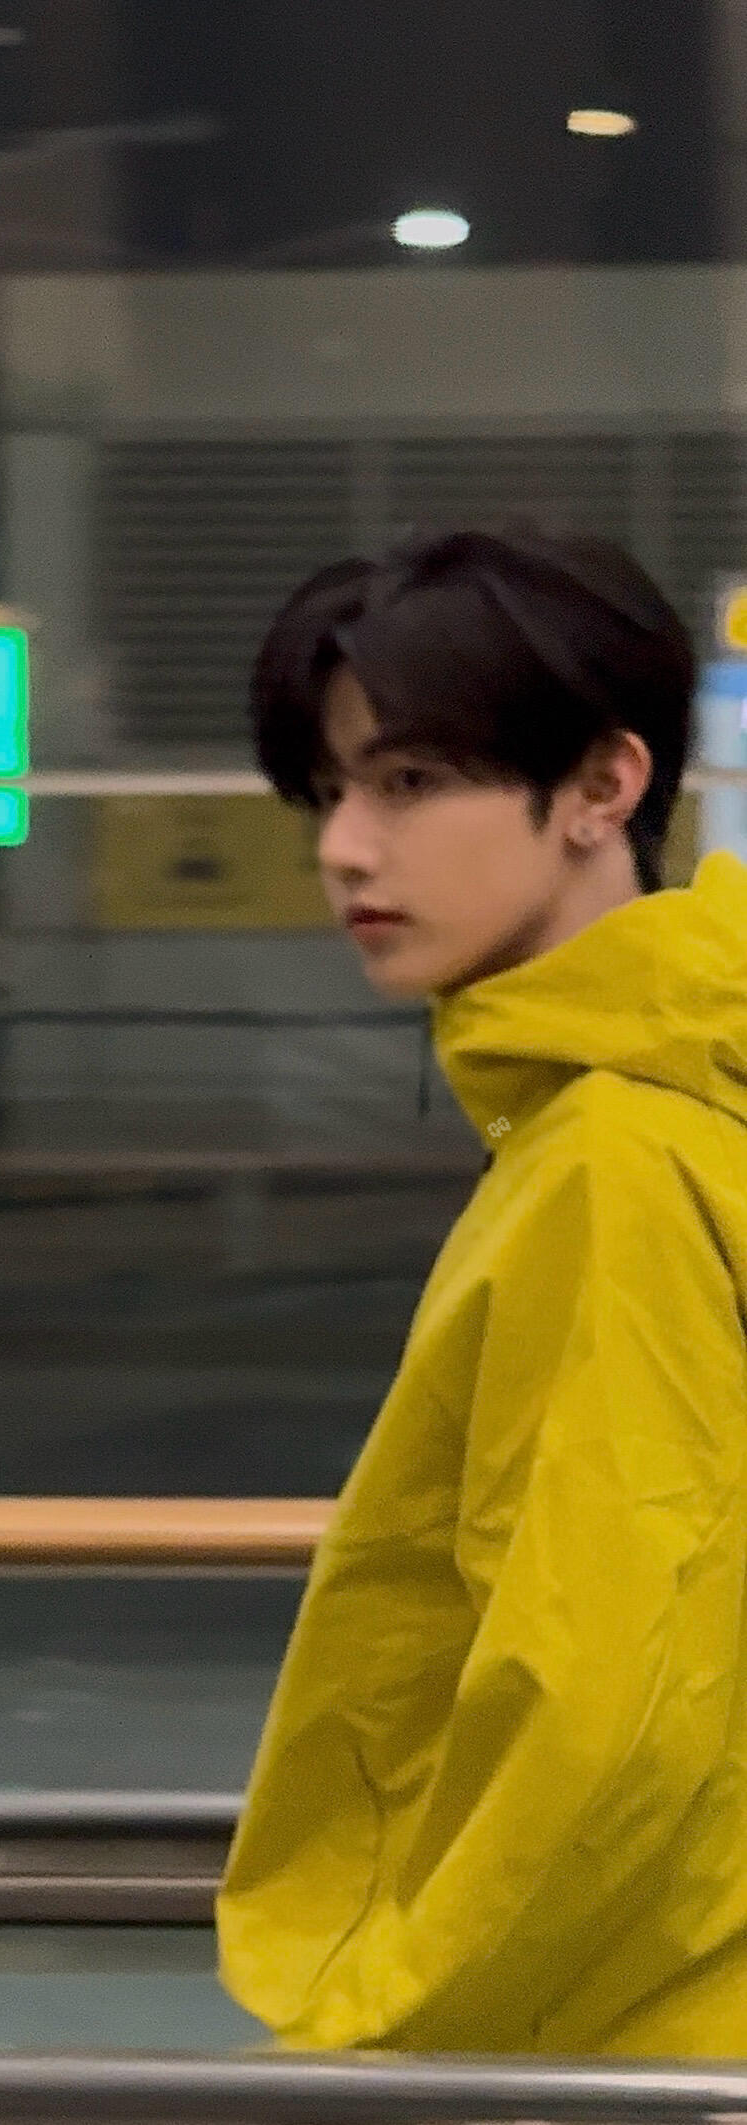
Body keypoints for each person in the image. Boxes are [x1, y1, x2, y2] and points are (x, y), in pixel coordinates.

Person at [215, 520, 747, 2056]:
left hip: (620, 2042)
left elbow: (604, 1705)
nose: (343, 846)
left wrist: (373, 2029)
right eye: (329, 791)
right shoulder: (671, 1097)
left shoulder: (611, 1161)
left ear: (600, 784)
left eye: (410, 781)